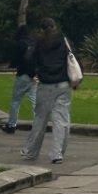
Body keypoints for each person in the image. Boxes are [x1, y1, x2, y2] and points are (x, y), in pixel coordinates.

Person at [21, 18, 73, 164]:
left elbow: (28, 59)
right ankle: (57, 153)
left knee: (40, 120)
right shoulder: (64, 41)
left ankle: (31, 152)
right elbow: (73, 58)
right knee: (61, 121)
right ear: (54, 27)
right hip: (62, 84)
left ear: (42, 29)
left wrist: (34, 74)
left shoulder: (38, 43)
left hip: (45, 84)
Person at [4, 24, 37, 134]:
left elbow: (16, 59)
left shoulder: (20, 44)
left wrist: (11, 65)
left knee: (16, 101)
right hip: (33, 76)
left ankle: (11, 125)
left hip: (22, 74)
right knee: (34, 100)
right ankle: (38, 125)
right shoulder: (34, 43)